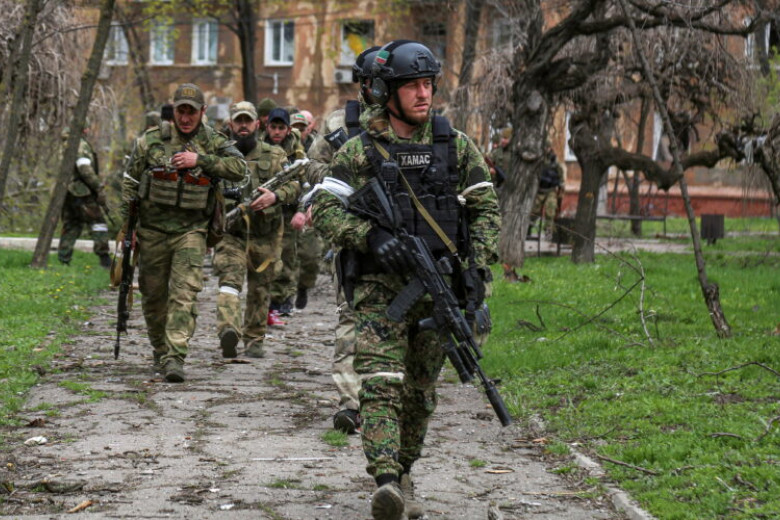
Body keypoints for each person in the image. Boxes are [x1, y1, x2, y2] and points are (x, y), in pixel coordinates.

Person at [312, 40, 499, 520]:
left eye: (428, 84)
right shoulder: (358, 150)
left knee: (419, 393)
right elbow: (324, 210)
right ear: (385, 92)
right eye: (412, 85)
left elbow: (485, 209)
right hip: (379, 288)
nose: (423, 93)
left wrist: (477, 271)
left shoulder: (455, 146)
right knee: (380, 383)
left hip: (439, 288)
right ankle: (386, 480)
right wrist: (370, 236)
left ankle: (405, 469)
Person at [121, 83, 246, 382]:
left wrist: (200, 160)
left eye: (192, 112)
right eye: (181, 111)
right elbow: (129, 182)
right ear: (173, 111)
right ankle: (160, 350)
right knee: (153, 297)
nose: (186, 118)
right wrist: (127, 228)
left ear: (203, 112)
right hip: (152, 231)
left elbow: (240, 168)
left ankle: (175, 356)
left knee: (184, 294)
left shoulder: (213, 141)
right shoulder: (151, 140)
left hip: (191, 231)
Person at [305, 45, 380, 435]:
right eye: (372, 82)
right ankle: (351, 402)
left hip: (400, 234)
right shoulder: (339, 122)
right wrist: (341, 178)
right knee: (351, 314)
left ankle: (388, 397)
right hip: (351, 230)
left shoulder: (410, 122)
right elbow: (312, 165)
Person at [213, 101, 298, 358]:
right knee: (229, 281)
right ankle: (228, 330)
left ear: (257, 124)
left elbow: (295, 185)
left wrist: (275, 196)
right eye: (238, 121)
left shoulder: (274, 155)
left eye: (247, 121)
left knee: (261, 290)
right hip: (232, 233)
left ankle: (254, 339)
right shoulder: (220, 156)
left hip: (266, 235)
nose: (243, 126)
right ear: (230, 124)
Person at [261, 107, 307, 320]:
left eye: (281, 128)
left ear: (288, 129)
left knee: (287, 258)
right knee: (266, 258)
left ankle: (279, 302)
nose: (277, 132)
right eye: (273, 127)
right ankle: (266, 301)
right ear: (267, 127)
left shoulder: (296, 151)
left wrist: (301, 212)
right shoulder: (260, 147)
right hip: (265, 212)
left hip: (289, 210)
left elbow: (305, 185)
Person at [58, 124, 111, 268]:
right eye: (87, 128)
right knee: (98, 222)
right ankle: (104, 259)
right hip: (82, 192)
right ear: (84, 129)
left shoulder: (65, 144)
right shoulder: (80, 144)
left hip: (67, 191)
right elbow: (85, 169)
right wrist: (98, 187)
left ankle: (63, 259)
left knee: (71, 224)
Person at [531, 149, 565, 238]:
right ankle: (528, 228)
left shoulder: (556, 164)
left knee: (550, 210)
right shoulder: (539, 161)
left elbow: (561, 179)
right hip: (539, 190)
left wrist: (561, 190)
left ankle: (548, 230)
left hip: (551, 190)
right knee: (534, 210)